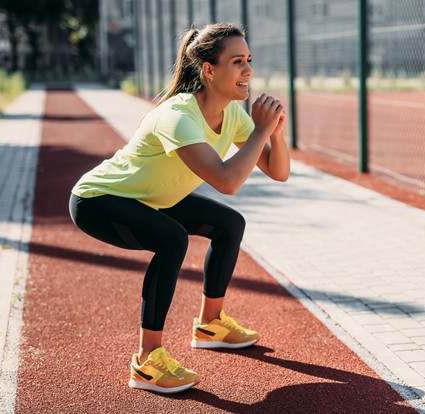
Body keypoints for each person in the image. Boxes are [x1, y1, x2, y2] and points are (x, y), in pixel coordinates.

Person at [68, 23, 289, 394]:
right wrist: (260, 132)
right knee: (171, 238)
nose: (248, 70)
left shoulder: (232, 114)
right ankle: (147, 360)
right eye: (237, 62)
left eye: (249, 60)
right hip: (99, 199)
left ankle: (210, 323)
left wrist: (274, 132)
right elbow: (228, 181)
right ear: (209, 70)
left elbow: (278, 172)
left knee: (229, 224)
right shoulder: (178, 116)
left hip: (152, 197)